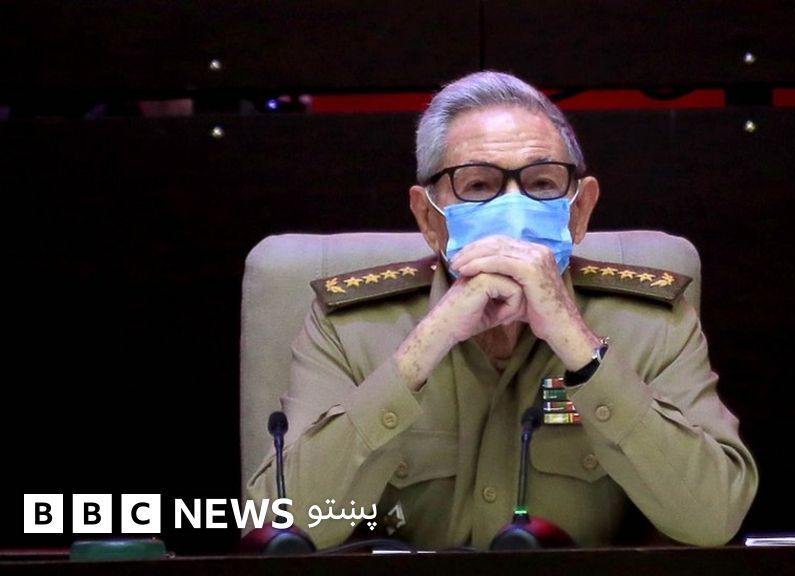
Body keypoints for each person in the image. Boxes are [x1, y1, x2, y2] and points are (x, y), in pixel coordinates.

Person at [246, 71, 757, 550]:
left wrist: (578, 344)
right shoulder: (348, 327)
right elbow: (276, 524)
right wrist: (425, 347)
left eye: (541, 184)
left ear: (580, 210)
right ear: (428, 217)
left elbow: (713, 518)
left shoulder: (651, 323)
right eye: (479, 185)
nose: (513, 208)